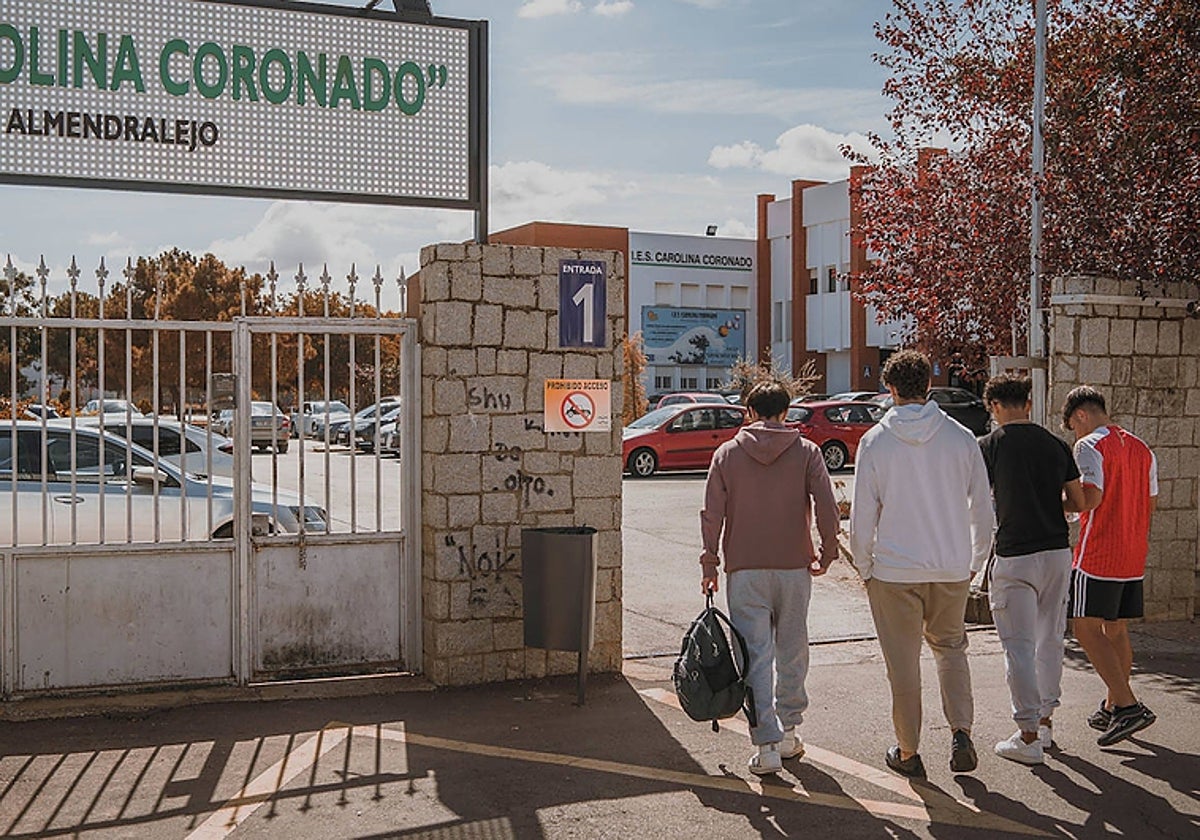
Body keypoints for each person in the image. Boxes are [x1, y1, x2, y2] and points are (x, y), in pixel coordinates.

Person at [849, 350, 994, 777]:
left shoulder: (875, 441)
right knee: (951, 649)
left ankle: (909, 751)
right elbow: (982, 508)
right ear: (929, 385)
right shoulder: (961, 438)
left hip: (894, 570)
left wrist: (865, 566)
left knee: (903, 664)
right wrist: (975, 560)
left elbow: (862, 515)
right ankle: (961, 731)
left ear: (889, 388)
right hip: (951, 566)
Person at [700, 379, 840, 776]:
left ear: (749, 412)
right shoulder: (807, 452)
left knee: (754, 656)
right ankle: (789, 733)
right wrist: (828, 552)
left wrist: (710, 564)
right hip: (794, 567)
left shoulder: (727, 454)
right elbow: (827, 506)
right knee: (792, 649)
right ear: (785, 411)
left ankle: (766, 747)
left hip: (744, 569)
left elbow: (712, 514)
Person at [978, 375, 1090, 765]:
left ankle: (1027, 735)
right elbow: (1079, 501)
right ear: (1028, 404)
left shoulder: (989, 446)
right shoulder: (1056, 444)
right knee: (1050, 638)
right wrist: (1048, 504)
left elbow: (976, 501)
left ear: (994, 407)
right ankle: (1044, 722)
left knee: (1018, 645)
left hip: (1015, 555)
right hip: (1056, 551)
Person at [1062, 385, 1158, 746]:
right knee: (1115, 630)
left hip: (1098, 553)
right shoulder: (1142, 448)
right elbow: (1150, 502)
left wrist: (1055, 504)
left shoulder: (1088, 446)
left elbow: (1090, 498)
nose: (1074, 433)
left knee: (1085, 629)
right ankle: (1112, 706)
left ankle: (1128, 706)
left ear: (1081, 415)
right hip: (1132, 553)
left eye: (1073, 425)